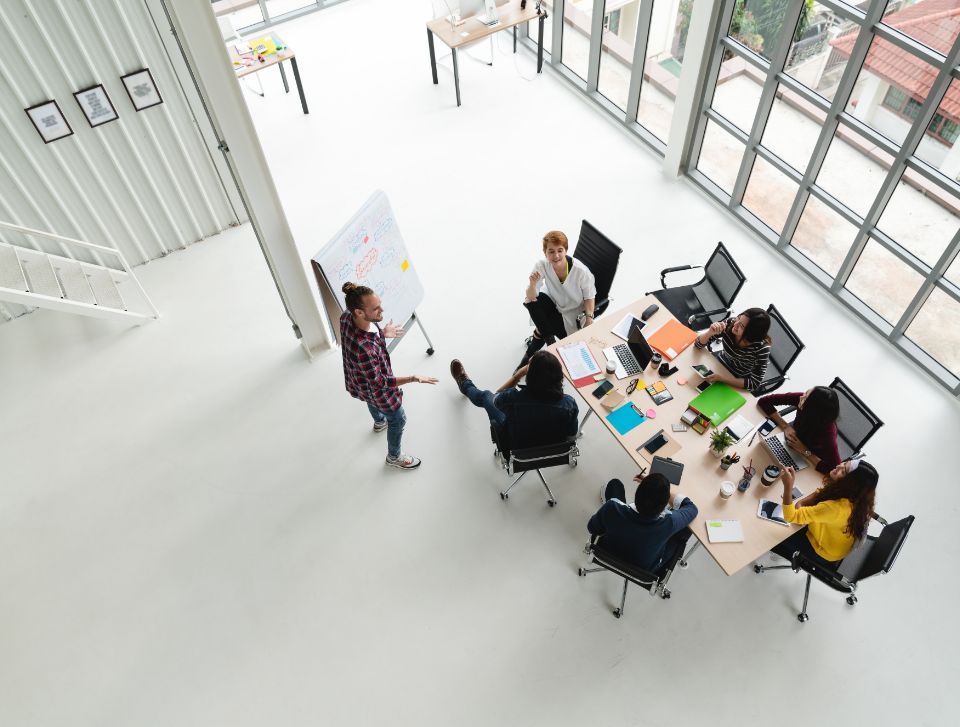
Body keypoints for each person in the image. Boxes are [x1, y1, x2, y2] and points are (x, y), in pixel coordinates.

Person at [339, 282, 438, 470]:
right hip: (378, 389)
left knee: (370, 399)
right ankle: (394, 456)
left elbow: (369, 344)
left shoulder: (346, 317)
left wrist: (382, 334)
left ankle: (378, 422)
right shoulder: (365, 350)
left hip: (360, 382)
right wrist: (413, 377)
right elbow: (381, 383)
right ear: (359, 312)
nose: (382, 310)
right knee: (398, 419)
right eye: (376, 308)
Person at [450, 351, 578, 452]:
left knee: (486, 396)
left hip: (517, 448)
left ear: (530, 376)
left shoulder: (513, 398)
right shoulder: (569, 404)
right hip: (554, 451)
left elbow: (496, 397)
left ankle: (465, 385)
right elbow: (571, 435)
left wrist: (517, 376)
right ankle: (465, 384)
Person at [587, 473, 698, 574]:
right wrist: (662, 493)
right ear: (664, 505)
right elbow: (692, 508)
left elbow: (592, 528)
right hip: (644, 570)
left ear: (637, 492)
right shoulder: (669, 523)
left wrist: (648, 487)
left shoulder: (612, 507)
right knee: (686, 528)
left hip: (608, 551)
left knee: (614, 485)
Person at [773, 460, 878, 566]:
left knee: (772, 536)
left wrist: (788, 486)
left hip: (823, 550)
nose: (838, 466)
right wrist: (802, 508)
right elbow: (819, 495)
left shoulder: (836, 508)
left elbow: (791, 516)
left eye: (843, 471)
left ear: (850, 483)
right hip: (834, 538)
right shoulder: (854, 496)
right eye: (844, 463)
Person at [519, 230, 597, 368]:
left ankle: (528, 357)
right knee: (533, 302)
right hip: (554, 302)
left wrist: (589, 318)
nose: (556, 255)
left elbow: (589, 296)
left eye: (560, 250)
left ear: (566, 250)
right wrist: (532, 284)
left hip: (572, 313)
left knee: (542, 325)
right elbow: (530, 297)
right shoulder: (541, 265)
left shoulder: (581, 271)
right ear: (545, 253)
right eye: (551, 251)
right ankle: (550, 342)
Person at [758, 385, 841, 474]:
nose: (801, 397)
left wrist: (805, 451)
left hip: (807, 460)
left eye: (805, 398)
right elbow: (764, 401)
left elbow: (834, 469)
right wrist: (785, 426)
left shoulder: (828, 433)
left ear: (812, 410)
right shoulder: (804, 397)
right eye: (806, 393)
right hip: (790, 442)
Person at [694, 307, 772, 393]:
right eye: (738, 318)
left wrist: (722, 379)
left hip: (737, 378)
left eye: (742, 326)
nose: (735, 324)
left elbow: (754, 383)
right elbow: (698, 345)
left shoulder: (761, 349)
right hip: (719, 363)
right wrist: (710, 332)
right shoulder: (730, 323)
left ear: (751, 333)